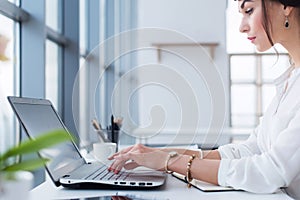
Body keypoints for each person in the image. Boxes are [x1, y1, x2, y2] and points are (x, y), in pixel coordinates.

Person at [108, 0, 300, 199]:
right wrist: (156, 154)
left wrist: (169, 161)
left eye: (249, 11)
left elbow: (270, 171)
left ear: (286, 5)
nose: (242, 27)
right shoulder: (290, 80)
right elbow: (251, 149)